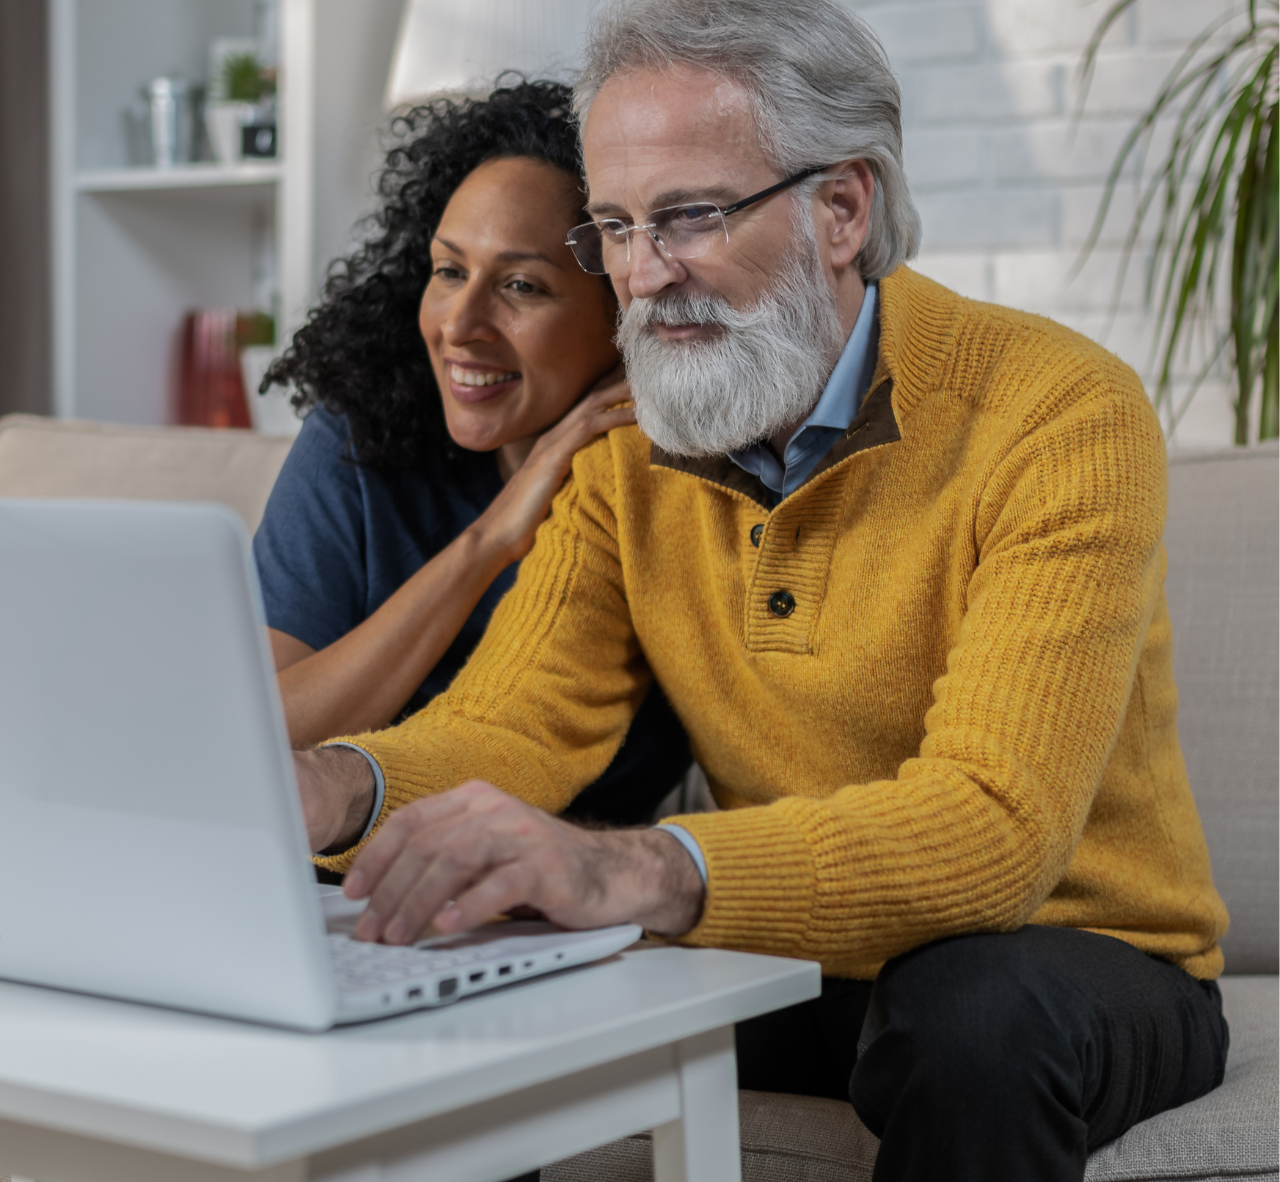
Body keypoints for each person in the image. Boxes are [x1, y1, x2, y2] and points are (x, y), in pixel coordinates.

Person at [291, 3, 1231, 1178]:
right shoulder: (632, 442)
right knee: (463, 962)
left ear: (843, 209)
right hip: (798, 948)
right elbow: (515, 722)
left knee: (977, 1013)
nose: (641, 275)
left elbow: (998, 830)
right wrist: (336, 787)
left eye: (688, 217)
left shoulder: (1059, 412)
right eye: (616, 228)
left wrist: (638, 867)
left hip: (1073, 952)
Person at [254, 79, 690, 827]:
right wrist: (489, 542)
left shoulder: (680, 484)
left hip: (577, 901)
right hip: (336, 880)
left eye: (521, 285)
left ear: (626, 311)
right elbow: (260, 732)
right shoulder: (360, 437)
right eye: (449, 271)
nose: (460, 324)